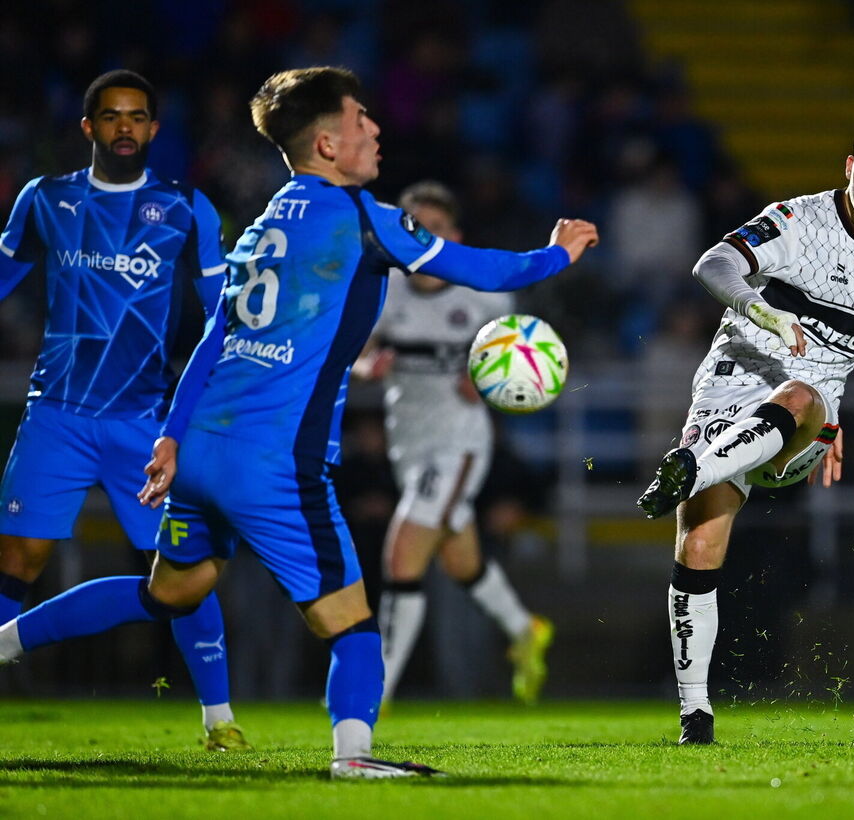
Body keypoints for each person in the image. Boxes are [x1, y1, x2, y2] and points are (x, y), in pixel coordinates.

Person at [0, 67, 598, 779]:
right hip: (273, 464)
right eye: (360, 121)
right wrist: (557, 252)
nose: (375, 130)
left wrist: (170, 435)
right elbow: (480, 270)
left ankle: (4, 641)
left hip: (199, 452)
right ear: (326, 143)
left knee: (170, 591)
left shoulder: (261, 224)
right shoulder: (361, 217)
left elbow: (212, 341)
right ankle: (355, 758)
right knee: (352, 625)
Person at [636, 114, 854, 744]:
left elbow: (848, 351)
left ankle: (692, 467)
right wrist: (760, 308)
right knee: (699, 546)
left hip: (804, 411)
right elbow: (711, 266)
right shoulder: (798, 221)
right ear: (849, 163)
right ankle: (696, 714)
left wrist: (833, 415)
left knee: (798, 395)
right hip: (730, 382)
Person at [0, 70, 247, 751]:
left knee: (182, 567)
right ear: (89, 128)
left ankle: (219, 721)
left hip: (143, 420)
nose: (125, 127)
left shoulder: (186, 209)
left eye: (138, 116)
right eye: (111, 117)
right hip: (56, 411)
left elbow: (223, 316)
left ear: (155, 129)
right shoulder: (45, 200)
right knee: (17, 556)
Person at [354, 180, 553, 706]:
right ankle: (524, 629)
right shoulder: (384, 288)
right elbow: (355, 353)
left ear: (455, 238)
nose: (423, 237)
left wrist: (488, 381)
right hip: (407, 442)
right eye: (415, 227)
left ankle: (378, 690)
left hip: (458, 443)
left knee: (402, 557)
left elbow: (526, 368)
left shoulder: (484, 295)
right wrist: (366, 366)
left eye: (436, 229)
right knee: (460, 560)